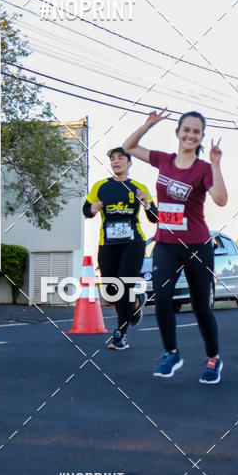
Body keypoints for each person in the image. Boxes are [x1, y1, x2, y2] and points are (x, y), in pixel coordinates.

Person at [123, 109, 228, 383]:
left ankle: (213, 358)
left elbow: (221, 199)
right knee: (161, 298)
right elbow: (129, 147)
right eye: (186, 130)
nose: (190, 135)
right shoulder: (164, 160)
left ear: (201, 136)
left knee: (200, 306)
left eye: (196, 131)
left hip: (196, 246)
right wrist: (148, 124)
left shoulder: (203, 169)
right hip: (166, 244)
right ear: (178, 132)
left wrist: (216, 164)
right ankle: (171, 353)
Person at [83, 148, 158, 350]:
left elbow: (155, 218)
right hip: (107, 243)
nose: (116, 161)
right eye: (113, 159)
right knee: (110, 289)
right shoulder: (100, 186)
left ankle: (121, 335)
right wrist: (92, 209)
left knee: (124, 285)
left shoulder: (138, 187)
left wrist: (146, 203)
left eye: (120, 158)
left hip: (133, 244)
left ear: (129, 163)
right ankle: (136, 303)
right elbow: (86, 210)